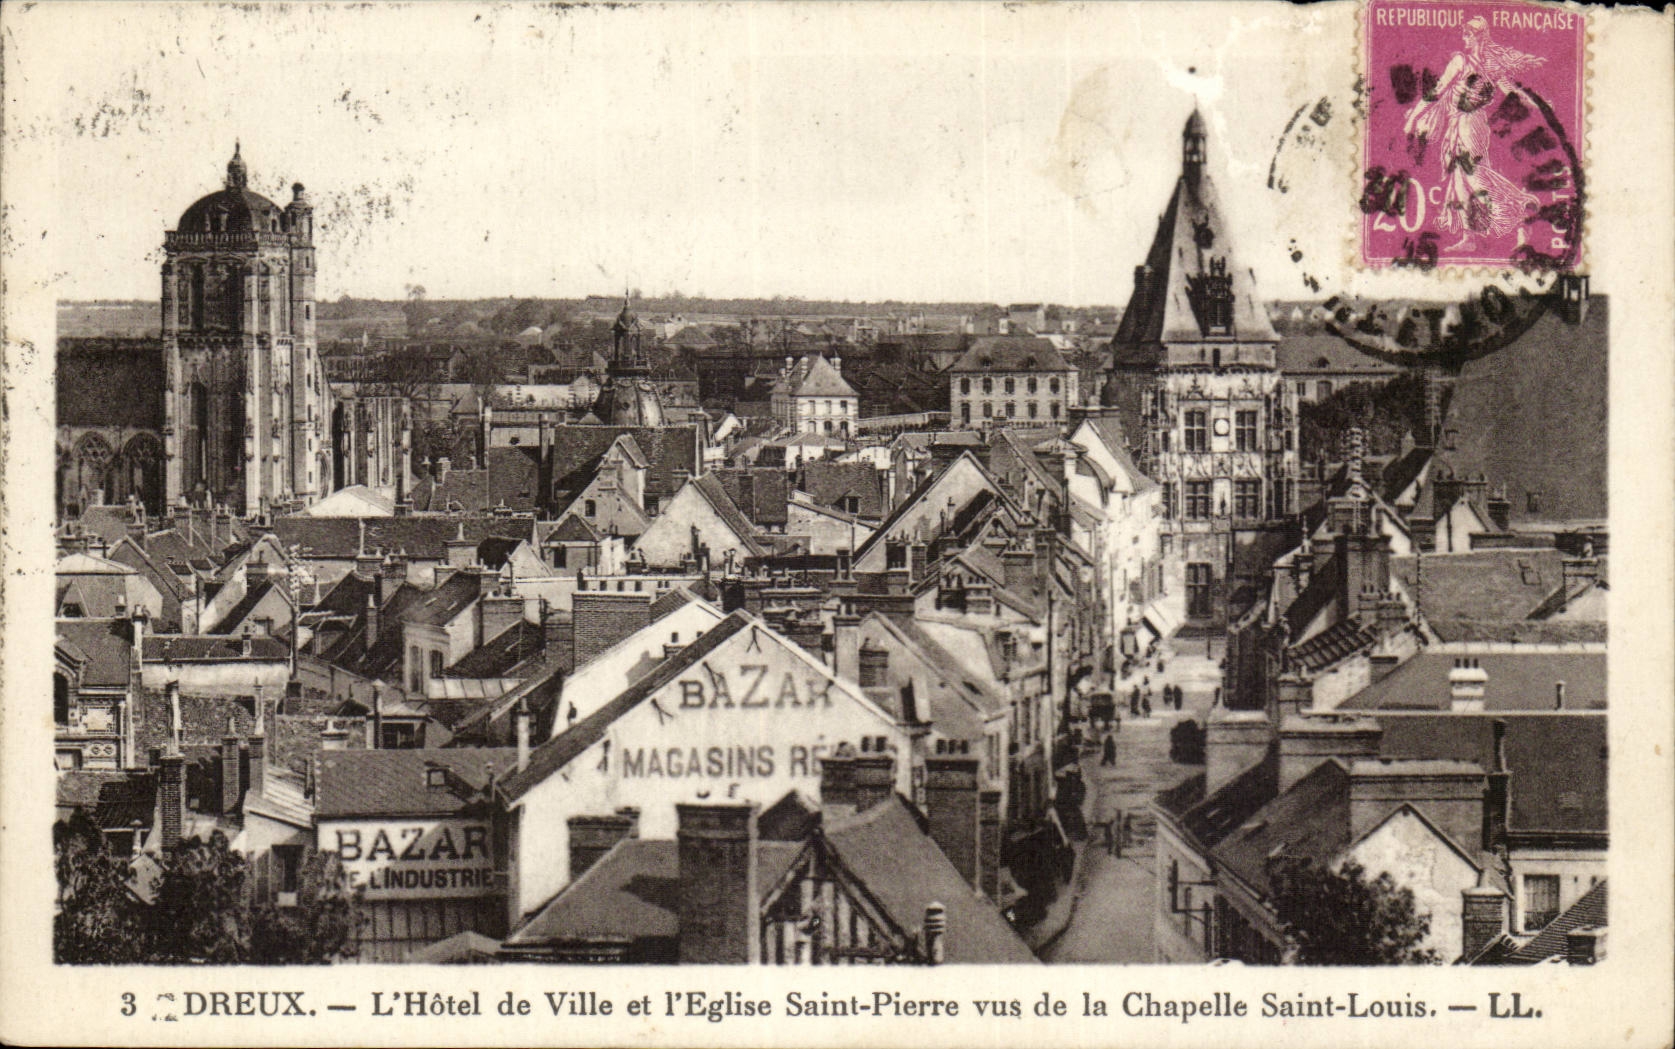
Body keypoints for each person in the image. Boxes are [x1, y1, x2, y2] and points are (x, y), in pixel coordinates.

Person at [1402, 16, 1546, 252]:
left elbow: (1512, 92)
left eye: (1468, 35)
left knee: (1474, 178)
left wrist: (1412, 118)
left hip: (1470, 125)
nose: (1464, 38)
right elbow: (1438, 91)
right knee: (1459, 181)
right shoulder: (1467, 61)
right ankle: (1470, 238)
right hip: (1457, 125)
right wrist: (1414, 117)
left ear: (1479, 36)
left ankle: (1522, 218)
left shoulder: (1474, 63)